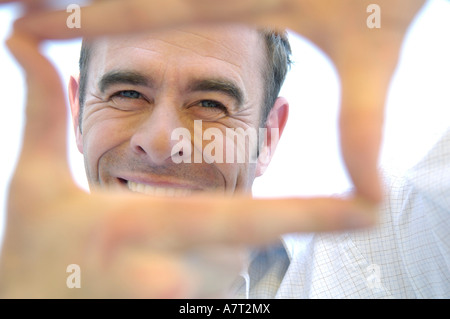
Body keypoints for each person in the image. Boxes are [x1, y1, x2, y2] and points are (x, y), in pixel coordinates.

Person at [1, 0, 447, 298]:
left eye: (211, 104)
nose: (160, 143)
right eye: (127, 94)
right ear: (77, 111)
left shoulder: (378, 251)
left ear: (267, 136)